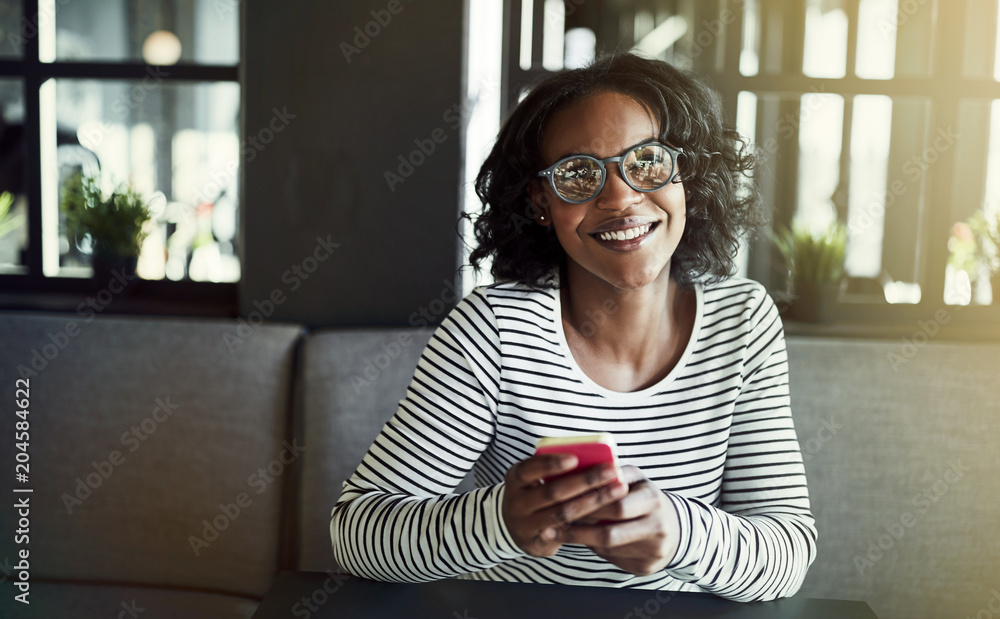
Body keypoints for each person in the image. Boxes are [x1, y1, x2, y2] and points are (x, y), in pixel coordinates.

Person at [330, 52, 816, 602]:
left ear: (688, 177)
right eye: (579, 174)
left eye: (648, 161)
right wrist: (498, 523)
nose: (620, 199)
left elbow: (787, 552)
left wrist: (680, 534)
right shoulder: (493, 329)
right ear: (541, 203)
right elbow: (356, 533)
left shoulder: (742, 322)